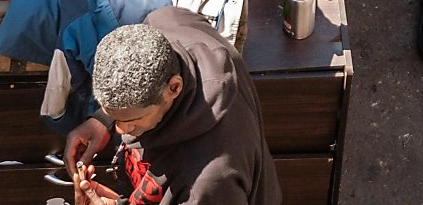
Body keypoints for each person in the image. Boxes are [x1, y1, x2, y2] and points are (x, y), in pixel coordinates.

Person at [64, 11, 279, 205]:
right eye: (115, 118)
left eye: (131, 120)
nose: (120, 131)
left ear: (174, 88)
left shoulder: (207, 182)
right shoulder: (169, 21)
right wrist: (104, 119)